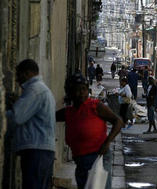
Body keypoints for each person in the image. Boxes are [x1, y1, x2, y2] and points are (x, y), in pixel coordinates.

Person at [56, 73, 123, 189]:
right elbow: (48, 116)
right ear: (70, 92)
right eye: (77, 90)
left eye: (84, 89)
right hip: (80, 162)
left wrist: (107, 142)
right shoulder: (69, 112)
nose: (81, 93)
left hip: (98, 159)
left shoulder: (95, 106)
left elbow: (118, 122)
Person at [6, 59, 56, 189]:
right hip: (41, 150)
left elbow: (17, 117)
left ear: (27, 73)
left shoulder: (35, 90)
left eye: (19, 75)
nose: (17, 79)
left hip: (37, 150)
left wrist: (3, 115)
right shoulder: (41, 90)